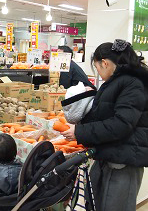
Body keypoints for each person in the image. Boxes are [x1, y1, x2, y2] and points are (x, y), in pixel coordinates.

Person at [62, 39, 148, 211]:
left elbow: (120, 124)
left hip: (123, 162)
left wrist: (81, 132)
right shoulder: (118, 82)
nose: (99, 73)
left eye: (98, 67)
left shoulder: (132, 84)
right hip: (110, 155)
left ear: (105, 63)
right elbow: (106, 115)